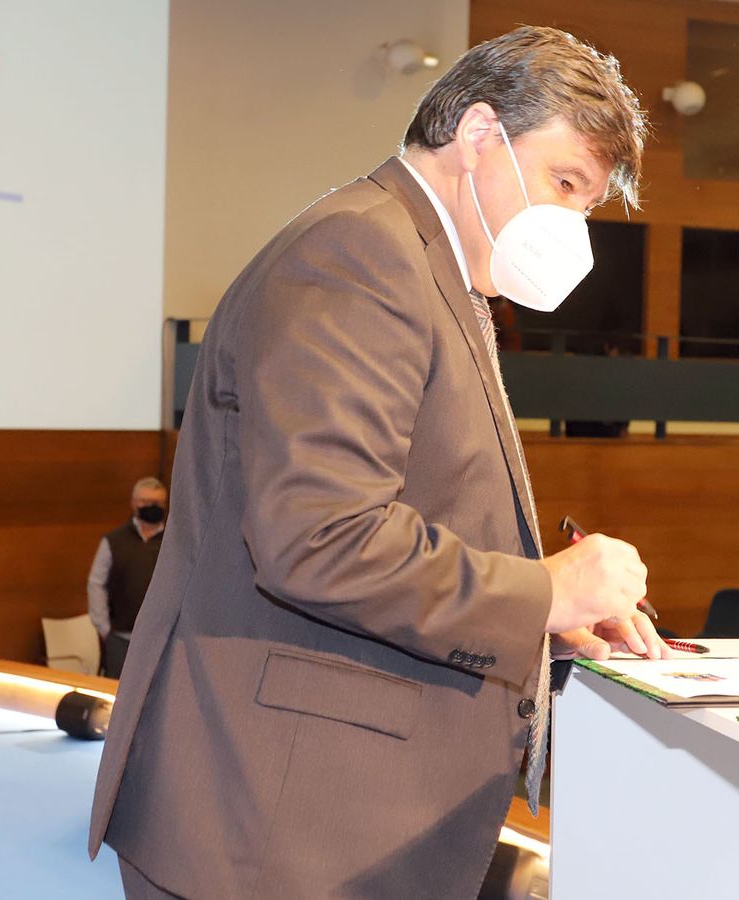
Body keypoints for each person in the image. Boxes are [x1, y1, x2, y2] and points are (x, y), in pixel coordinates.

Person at [90, 26, 664, 899]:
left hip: (318, 822)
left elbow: (411, 518)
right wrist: (547, 589)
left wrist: (542, 620)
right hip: (278, 831)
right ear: (478, 137)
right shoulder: (361, 255)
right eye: (563, 184)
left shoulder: (430, 270)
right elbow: (320, 537)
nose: (572, 227)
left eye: (585, 206)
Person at [87, 477, 168, 677]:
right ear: (133, 504)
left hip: (161, 641)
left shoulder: (173, 544)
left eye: (157, 503)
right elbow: (96, 583)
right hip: (121, 640)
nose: (151, 507)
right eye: (145, 502)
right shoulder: (113, 541)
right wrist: (104, 628)